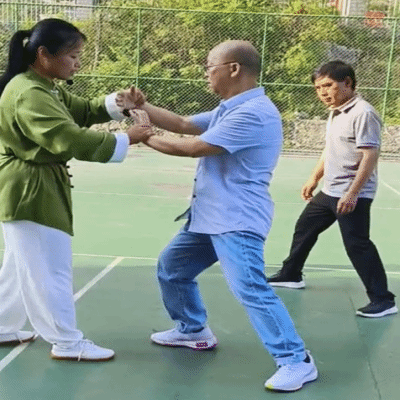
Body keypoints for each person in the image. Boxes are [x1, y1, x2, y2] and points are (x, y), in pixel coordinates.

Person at [118, 40, 318, 392]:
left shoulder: (253, 113)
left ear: (234, 69)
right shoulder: (230, 108)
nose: (206, 73)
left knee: (250, 288)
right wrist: (141, 106)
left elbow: (194, 147)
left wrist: (143, 135)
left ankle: (296, 360)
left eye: (210, 66)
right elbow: (183, 123)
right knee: (172, 268)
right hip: (209, 215)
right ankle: (193, 330)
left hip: (236, 219)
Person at [0, 18, 152, 361]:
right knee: (49, 268)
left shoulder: (43, 87)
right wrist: (125, 139)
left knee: (21, 264)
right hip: (29, 189)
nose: (77, 63)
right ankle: (67, 342)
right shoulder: (29, 93)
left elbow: (82, 111)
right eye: (72, 56)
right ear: (44, 54)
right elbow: (66, 137)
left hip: (29, 186)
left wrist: (120, 102)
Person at [267, 60, 397, 318]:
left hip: (352, 194)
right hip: (330, 191)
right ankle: (291, 274)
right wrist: (313, 178)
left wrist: (353, 193)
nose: (322, 92)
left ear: (347, 83)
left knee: (357, 245)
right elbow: (330, 149)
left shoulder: (363, 113)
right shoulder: (336, 111)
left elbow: (370, 155)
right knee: (305, 227)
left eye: (328, 85)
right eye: (318, 88)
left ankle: (383, 300)